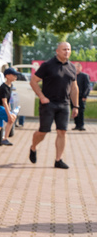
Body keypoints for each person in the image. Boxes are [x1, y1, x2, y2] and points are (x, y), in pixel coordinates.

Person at [29, 41, 80, 169]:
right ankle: (33, 147)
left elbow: (74, 88)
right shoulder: (47, 65)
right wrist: (41, 96)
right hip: (48, 104)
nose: (66, 52)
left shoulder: (72, 67)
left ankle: (58, 160)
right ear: (57, 51)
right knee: (43, 131)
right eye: (64, 49)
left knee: (62, 131)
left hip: (64, 104)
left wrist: (76, 106)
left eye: (68, 49)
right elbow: (33, 81)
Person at [73, 63, 91, 130]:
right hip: (73, 97)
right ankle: (76, 125)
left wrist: (85, 96)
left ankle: (81, 125)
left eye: (77, 67)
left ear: (80, 68)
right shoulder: (73, 76)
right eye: (75, 67)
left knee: (81, 111)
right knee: (74, 111)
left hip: (81, 97)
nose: (76, 68)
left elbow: (87, 87)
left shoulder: (85, 76)